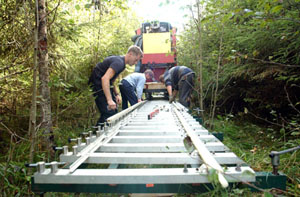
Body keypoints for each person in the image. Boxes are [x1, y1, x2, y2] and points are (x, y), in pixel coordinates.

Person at [88, 45, 143, 126]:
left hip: (103, 85)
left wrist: (116, 94)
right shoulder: (119, 62)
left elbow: (111, 81)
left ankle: (101, 131)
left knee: (114, 110)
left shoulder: (122, 64)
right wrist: (109, 100)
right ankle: (97, 134)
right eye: (136, 60)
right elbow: (105, 79)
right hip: (98, 85)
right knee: (108, 113)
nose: (136, 63)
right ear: (130, 54)